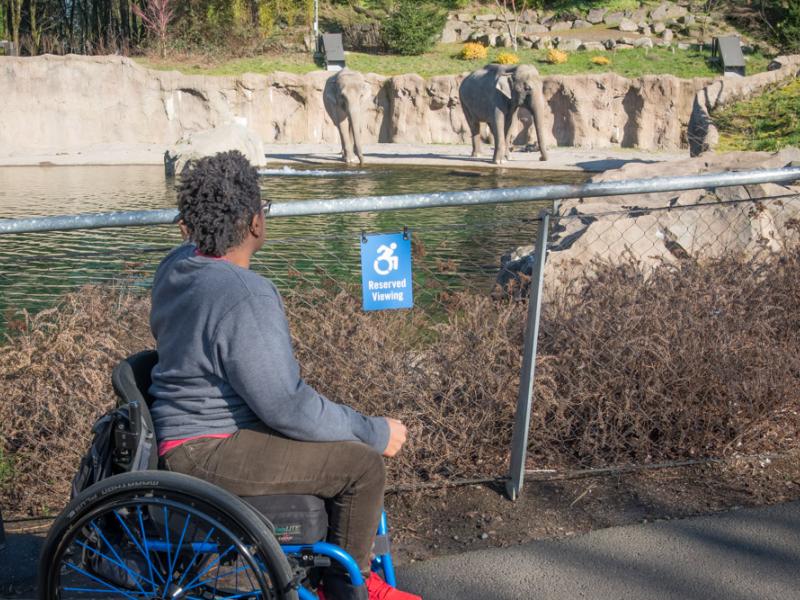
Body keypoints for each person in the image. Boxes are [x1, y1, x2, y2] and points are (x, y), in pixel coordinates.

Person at [149, 150, 418, 600]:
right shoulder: (243, 294)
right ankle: (348, 588)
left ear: (189, 225)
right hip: (208, 447)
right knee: (362, 465)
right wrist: (373, 431)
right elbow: (286, 406)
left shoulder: (177, 266)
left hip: (183, 433)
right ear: (255, 223)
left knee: (335, 437)